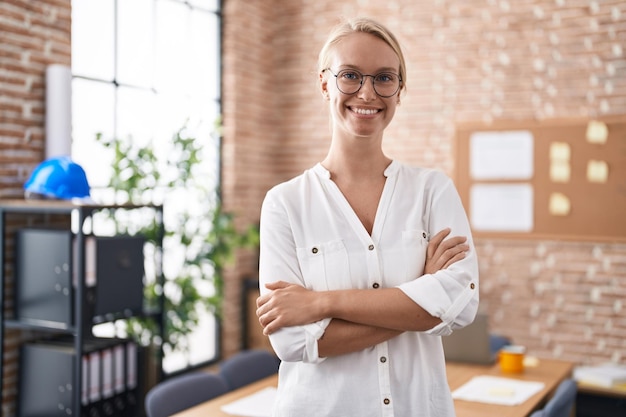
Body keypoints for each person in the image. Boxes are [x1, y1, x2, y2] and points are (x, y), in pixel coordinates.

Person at [256, 17, 479, 417]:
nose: (367, 91)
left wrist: (322, 303)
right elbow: (293, 342)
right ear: (324, 84)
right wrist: (421, 295)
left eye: (384, 78)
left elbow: (461, 305)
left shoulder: (432, 191)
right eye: (350, 75)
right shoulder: (284, 203)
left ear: (399, 90)